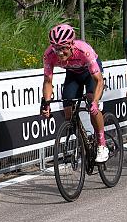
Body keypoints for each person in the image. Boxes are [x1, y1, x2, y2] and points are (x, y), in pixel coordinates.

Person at [40, 23, 110, 163]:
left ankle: (102, 144)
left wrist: (95, 102)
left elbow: (99, 81)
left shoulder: (84, 51)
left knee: (92, 104)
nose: (59, 53)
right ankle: (83, 145)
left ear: (72, 44)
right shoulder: (49, 55)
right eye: (56, 48)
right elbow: (48, 81)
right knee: (68, 113)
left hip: (90, 74)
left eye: (63, 48)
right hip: (73, 74)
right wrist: (46, 103)